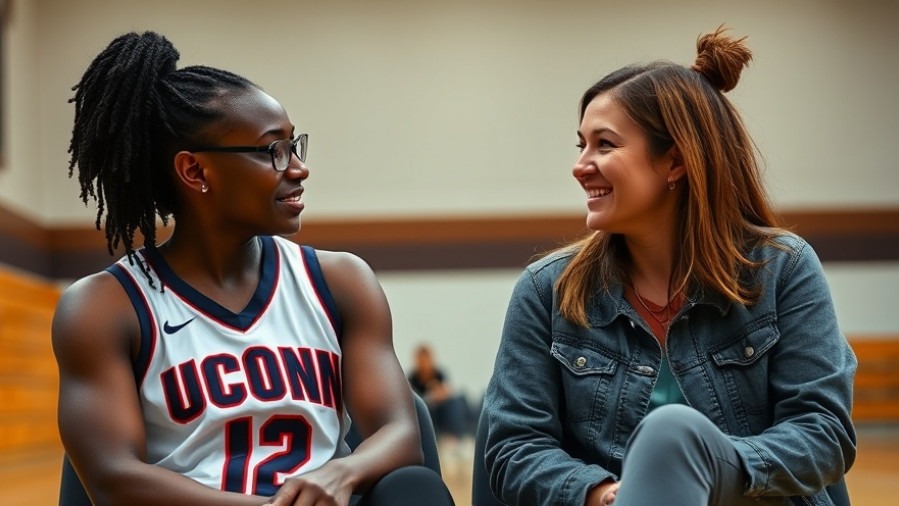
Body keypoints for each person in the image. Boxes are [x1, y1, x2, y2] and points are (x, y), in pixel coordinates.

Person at [52, 31, 454, 506]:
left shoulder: (340, 281)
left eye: (295, 145)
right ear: (196, 172)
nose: (299, 168)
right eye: (273, 151)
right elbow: (114, 481)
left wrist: (342, 473)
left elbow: (402, 433)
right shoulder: (105, 305)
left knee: (415, 487)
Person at [481, 26, 856, 506]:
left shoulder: (783, 269)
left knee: (671, 434)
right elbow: (514, 448)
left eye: (605, 145)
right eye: (581, 145)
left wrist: (703, 472)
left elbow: (822, 433)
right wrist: (608, 493)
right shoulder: (546, 290)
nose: (581, 165)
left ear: (675, 162)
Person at [408, 344, 472, 441]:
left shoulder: (438, 374)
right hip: (426, 409)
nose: (424, 363)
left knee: (458, 401)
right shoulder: (413, 377)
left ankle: (455, 437)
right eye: (421, 360)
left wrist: (436, 393)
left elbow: (446, 392)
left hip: (440, 408)